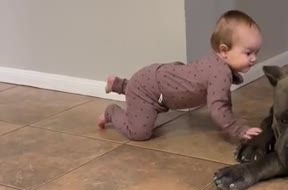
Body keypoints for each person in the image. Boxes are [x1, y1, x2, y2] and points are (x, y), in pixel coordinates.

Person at [98, 10, 263, 142]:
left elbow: (223, 101)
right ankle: (112, 112)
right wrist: (239, 129)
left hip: (156, 78)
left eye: (256, 52)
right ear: (224, 50)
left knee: (162, 82)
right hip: (148, 88)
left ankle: (119, 84)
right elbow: (218, 108)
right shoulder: (220, 74)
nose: (254, 58)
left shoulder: (218, 64)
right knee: (139, 133)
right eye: (248, 53)